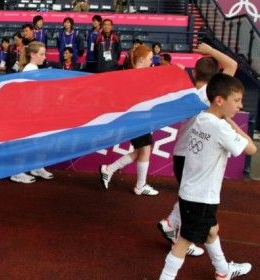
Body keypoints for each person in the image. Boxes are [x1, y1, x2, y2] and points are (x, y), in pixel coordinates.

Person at [159, 73, 256, 280]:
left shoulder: (202, 118)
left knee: (212, 230)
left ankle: (222, 270)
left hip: (192, 192)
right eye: (236, 100)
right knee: (184, 241)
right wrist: (231, 122)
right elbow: (251, 148)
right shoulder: (221, 127)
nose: (240, 106)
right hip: (202, 197)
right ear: (220, 100)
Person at [157, 43, 239, 257]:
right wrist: (209, 49)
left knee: (190, 194)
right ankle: (176, 229)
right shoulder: (209, 95)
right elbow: (232, 64)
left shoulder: (190, 94)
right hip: (192, 155)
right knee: (194, 198)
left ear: (194, 72)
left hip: (183, 152)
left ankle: (171, 223)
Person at [99, 45, 159, 196]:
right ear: (141, 59)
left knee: (141, 151)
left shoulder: (137, 75)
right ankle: (140, 186)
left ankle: (109, 169)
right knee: (145, 150)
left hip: (139, 119)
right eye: (150, 59)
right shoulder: (135, 76)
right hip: (136, 119)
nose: (152, 62)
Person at [10, 41, 54, 184]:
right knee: (25, 143)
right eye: (42, 54)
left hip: (37, 111)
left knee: (39, 141)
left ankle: (36, 167)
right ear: (33, 55)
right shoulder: (30, 69)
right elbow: (27, 94)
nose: (44, 57)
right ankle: (17, 172)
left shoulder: (35, 68)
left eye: (44, 54)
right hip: (28, 113)